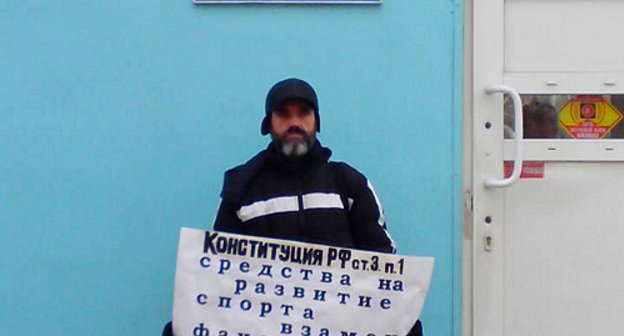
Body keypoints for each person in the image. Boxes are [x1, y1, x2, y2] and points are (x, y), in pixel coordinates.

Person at [162, 78, 423, 336]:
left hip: (339, 322)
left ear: (316, 122)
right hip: (265, 324)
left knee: (409, 325)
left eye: (304, 113)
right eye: (284, 114)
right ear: (269, 123)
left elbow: (382, 259)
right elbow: (220, 272)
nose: (294, 122)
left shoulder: (348, 184)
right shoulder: (242, 190)